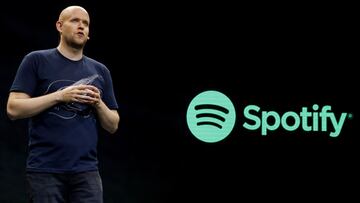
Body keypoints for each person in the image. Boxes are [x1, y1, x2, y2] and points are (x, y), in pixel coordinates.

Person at [6, 5, 119, 203]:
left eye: (86, 23)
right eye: (75, 21)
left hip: (87, 172)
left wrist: (99, 103)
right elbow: (13, 109)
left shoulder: (101, 71)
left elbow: (113, 125)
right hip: (45, 171)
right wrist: (59, 96)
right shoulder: (36, 60)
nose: (81, 26)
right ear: (59, 25)